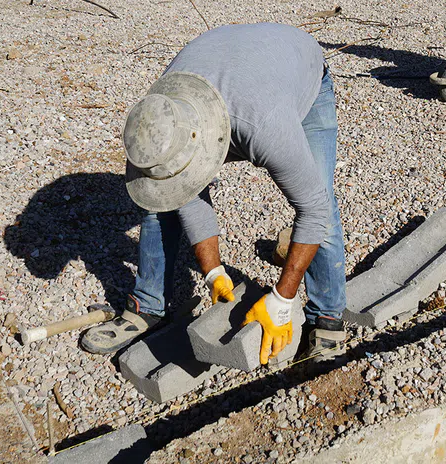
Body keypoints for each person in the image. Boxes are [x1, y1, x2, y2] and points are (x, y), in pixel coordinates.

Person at [81, 23, 347, 366]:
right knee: (159, 199)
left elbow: (314, 210)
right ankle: (147, 304)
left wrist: (282, 299)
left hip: (299, 70)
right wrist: (212, 271)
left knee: (318, 195)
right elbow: (182, 192)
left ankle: (326, 316)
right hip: (230, 60)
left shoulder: (262, 125)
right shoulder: (160, 117)